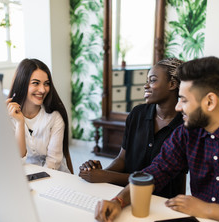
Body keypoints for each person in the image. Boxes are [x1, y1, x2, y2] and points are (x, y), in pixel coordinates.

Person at [94, 56, 219, 222]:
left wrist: (208, 210)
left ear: (210, 102)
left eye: (183, 99)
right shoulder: (186, 134)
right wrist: (118, 201)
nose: (178, 107)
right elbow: (155, 172)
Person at [79, 58, 186, 198]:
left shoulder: (184, 127)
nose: (145, 86)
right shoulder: (137, 114)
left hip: (161, 200)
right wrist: (98, 173)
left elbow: (157, 177)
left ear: (172, 84)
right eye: (146, 80)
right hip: (125, 195)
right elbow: (122, 159)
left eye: (152, 80)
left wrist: (105, 175)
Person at [6, 58, 73, 174]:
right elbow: (18, 161)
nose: (42, 90)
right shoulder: (10, 116)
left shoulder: (54, 117)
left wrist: (36, 180)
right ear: (22, 83)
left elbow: (54, 162)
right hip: (23, 176)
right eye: (35, 83)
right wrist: (20, 123)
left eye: (46, 84)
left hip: (54, 176)